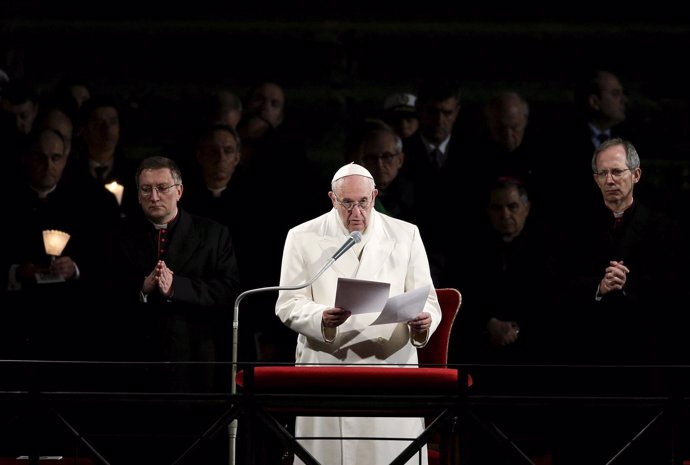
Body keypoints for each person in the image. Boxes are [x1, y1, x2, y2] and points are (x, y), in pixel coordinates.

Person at [274, 162, 442, 465]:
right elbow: (288, 304)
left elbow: (428, 299)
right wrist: (321, 317)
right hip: (329, 365)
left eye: (363, 202)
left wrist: (424, 321)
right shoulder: (302, 236)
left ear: (374, 196)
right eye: (347, 203)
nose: (356, 212)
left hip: (388, 367)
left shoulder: (406, 234)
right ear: (332, 199)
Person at [546, 138, 688, 465]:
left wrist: (628, 285)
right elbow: (553, 285)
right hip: (587, 371)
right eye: (602, 174)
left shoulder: (665, 229)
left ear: (636, 175)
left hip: (645, 369)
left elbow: (678, 294)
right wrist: (597, 286)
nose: (610, 180)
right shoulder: (574, 229)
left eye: (617, 172)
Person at [353, 119, 417, 223]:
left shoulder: (417, 194)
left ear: (400, 160)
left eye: (387, 157)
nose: (380, 164)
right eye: (372, 158)